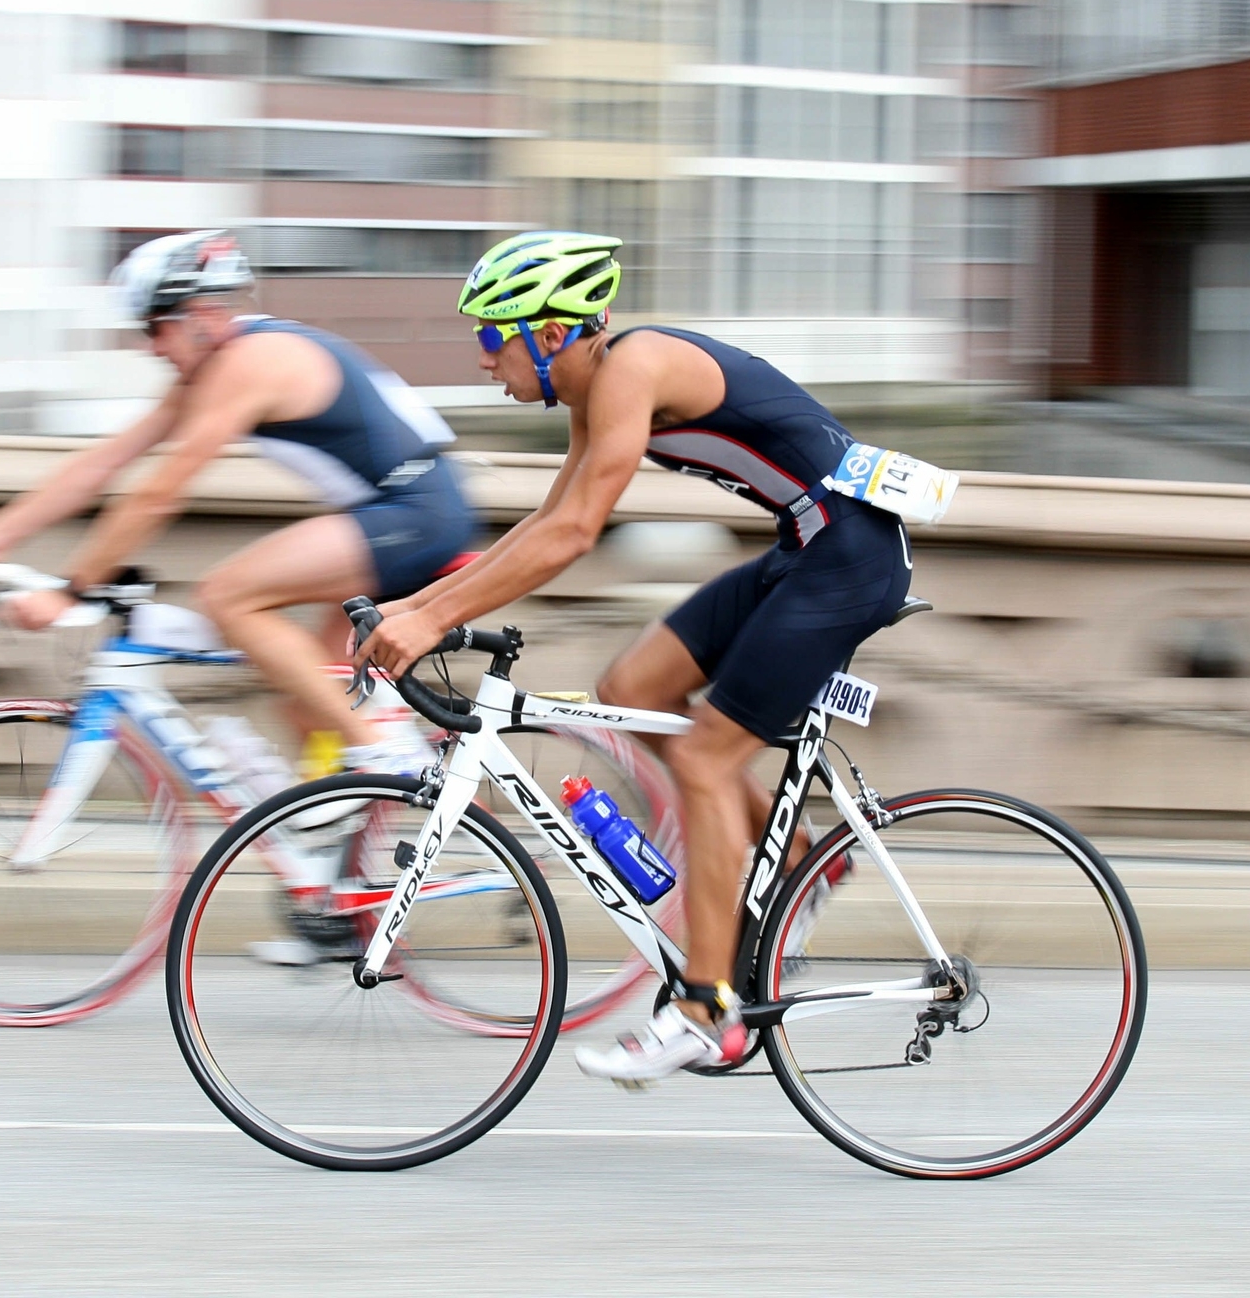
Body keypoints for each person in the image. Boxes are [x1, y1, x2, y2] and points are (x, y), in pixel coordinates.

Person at [356, 231, 914, 1084]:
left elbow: (578, 535)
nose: (481, 360)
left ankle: (706, 1010)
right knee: (633, 687)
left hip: (847, 559)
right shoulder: (595, 390)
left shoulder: (631, 370)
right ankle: (793, 852)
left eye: (490, 336)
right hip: (807, 547)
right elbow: (546, 524)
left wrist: (433, 622)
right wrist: (419, 608)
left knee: (703, 758)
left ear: (548, 334)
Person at [0, 230, 474, 793]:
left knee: (227, 595)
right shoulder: (217, 366)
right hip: (403, 510)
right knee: (313, 704)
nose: (150, 347)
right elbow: (101, 465)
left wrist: (72, 592)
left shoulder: (249, 362)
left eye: (153, 326)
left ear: (199, 314)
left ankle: (389, 757)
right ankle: (337, 854)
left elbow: (158, 494)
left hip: (414, 509)